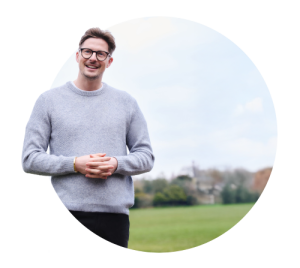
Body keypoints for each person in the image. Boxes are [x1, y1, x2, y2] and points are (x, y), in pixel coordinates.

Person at [21, 27, 155, 249]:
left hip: (114, 219)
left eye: (100, 54)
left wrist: (116, 163)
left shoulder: (126, 103)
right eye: (87, 52)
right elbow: (29, 159)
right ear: (77, 56)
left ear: (109, 61)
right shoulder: (48, 101)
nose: (93, 58)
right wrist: (75, 164)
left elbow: (146, 157)